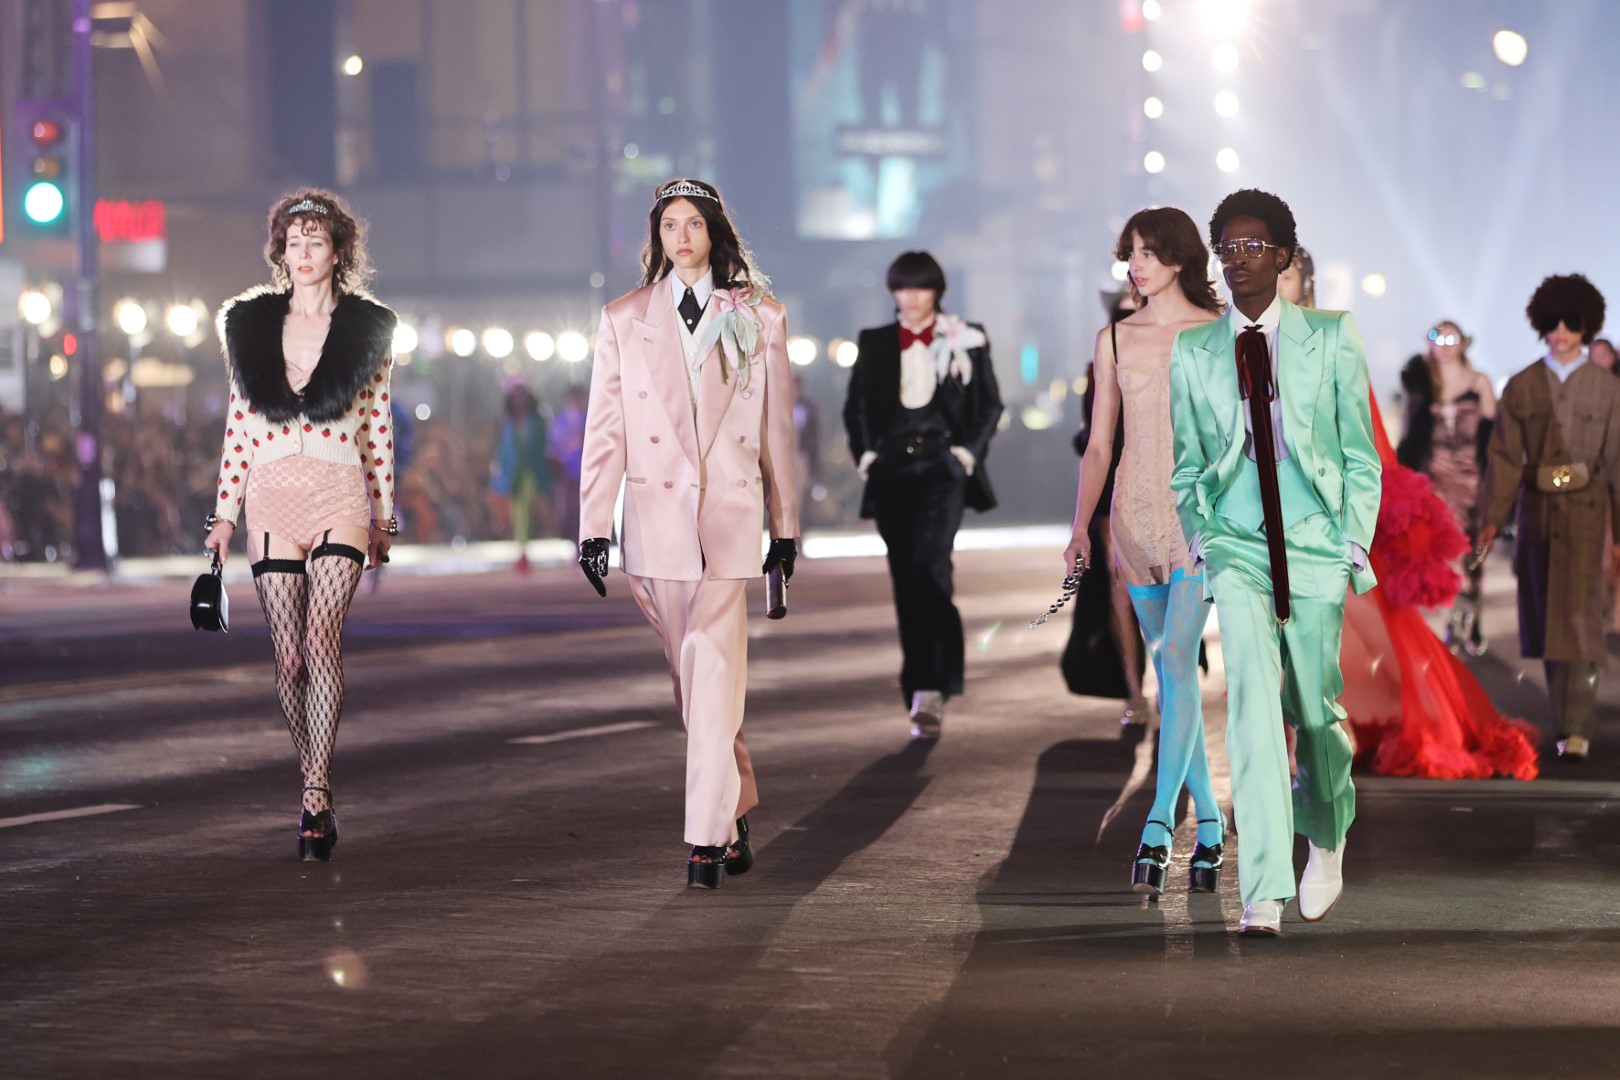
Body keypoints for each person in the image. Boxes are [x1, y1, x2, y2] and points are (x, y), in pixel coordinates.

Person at [1168, 189, 1381, 935]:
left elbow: (1358, 449)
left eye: (1253, 245)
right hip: (1237, 541)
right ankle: (1260, 887)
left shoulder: (1332, 334)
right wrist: (1203, 532)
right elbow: (1187, 462)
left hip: (1316, 537)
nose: (1236, 259)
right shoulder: (1194, 351)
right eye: (1225, 246)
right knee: (1253, 708)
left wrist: (1353, 536)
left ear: (1285, 256)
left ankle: (1326, 832)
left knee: (1316, 713)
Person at [577, 178, 799, 889]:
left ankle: (704, 842)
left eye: (694, 223)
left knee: (711, 669)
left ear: (714, 234)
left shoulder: (759, 315)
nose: (682, 235)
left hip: (730, 522)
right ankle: (732, 810)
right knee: (694, 683)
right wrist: (592, 528)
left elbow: (776, 434)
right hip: (654, 527)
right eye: (670, 224)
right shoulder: (623, 318)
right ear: (658, 237)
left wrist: (785, 526)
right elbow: (605, 432)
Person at [1273, 265, 1538, 782]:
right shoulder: (1250, 340)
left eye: (1284, 274)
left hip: (1386, 495)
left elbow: (1366, 429)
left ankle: (1330, 731)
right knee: (1291, 635)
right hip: (1281, 508)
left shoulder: (1331, 338)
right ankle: (1297, 739)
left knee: (1359, 623)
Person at [203, 190, 398, 862]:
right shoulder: (250, 328)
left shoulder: (368, 329)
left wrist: (384, 516)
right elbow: (237, 430)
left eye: (316, 241)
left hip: (340, 490)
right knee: (287, 658)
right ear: (280, 251)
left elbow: (377, 427)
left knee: (322, 641)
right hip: (272, 497)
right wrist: (222, 517)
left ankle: (317, 791)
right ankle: (311, 775)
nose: (304, 252)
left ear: (338, 251)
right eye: (294, 241)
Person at [1062, 209, 1226, 895]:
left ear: (1181, 259)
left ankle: (1160, 825)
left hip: (1197, 521)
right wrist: (1079, 530)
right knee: (1168, 666)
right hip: (1131, 516)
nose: (1136, 264)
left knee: (1180, 665)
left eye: (1149, 252)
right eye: (1130, 252)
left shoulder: (1217, 335)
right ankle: (1212, 824)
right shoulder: (1116, 339)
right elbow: (1100, 444)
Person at [842, 251, 1003, 740]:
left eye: (920, 288)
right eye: (902, 288)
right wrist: (867, 455)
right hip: (891, 470)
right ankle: (920, 685)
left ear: (937, 291)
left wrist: (966, 456)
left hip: (941, 469)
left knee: (932, 570)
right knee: (906, 578)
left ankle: (932, 686)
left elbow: (989, 403)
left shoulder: (965, 336)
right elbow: (854, 408)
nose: (910, 298)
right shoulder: (874, 341)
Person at [1478, 274, 1620, 764]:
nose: (1561, 331)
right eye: (1553, 321)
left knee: (1580, 623)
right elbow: (1504, 461)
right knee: (1549, 625)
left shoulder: (1608, 389)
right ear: (1540, 323)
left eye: (1572, 322)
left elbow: (1618, 463)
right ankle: (1565, 724)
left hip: (1588, 518)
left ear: (1587, 325)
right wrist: (1490, 521)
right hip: (1537, 518)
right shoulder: (1522, 385)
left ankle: (1574, 727)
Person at [1061, 292, 1149, 724]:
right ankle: (1134, 691)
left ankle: (1164, 688)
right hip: (1115, 495)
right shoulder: (1100, 370)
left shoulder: (1173, 353)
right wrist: (1084, 522)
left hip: (1168, 493)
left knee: (1167, 602)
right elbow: (1096, 443)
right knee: (1122, 598)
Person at [1396, 322, 1496, 654]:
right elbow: (1411, 432)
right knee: (1442, 552)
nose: (1445, 344)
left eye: (1452, 338)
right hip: (1434, 476)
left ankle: (1474, 616)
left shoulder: (1479, 382)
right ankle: (1451, 620)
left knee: (1471, 552)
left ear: (1464, 343)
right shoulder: (1423, 385)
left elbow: (1493, 437)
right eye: (1437, 337)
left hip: (1471, 478)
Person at [491, 380, 553, 573]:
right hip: (512, 473)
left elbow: (544, 447)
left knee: (524, 509)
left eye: (522, 396)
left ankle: (524, 549)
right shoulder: (508, 422)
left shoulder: (537, 421)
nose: (519, 401)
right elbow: (503, 449)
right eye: (516, 397)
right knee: (516, 511)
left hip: (532, 472)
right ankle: (522, 548)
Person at [547, 385, 587, 545]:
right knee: (568, 509)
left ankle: (583, 541)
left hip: (585, 471)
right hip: (566, 472)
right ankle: (573, 541)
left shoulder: (588, 419)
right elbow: (552, 446)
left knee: (583, 508)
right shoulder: (560, 421)